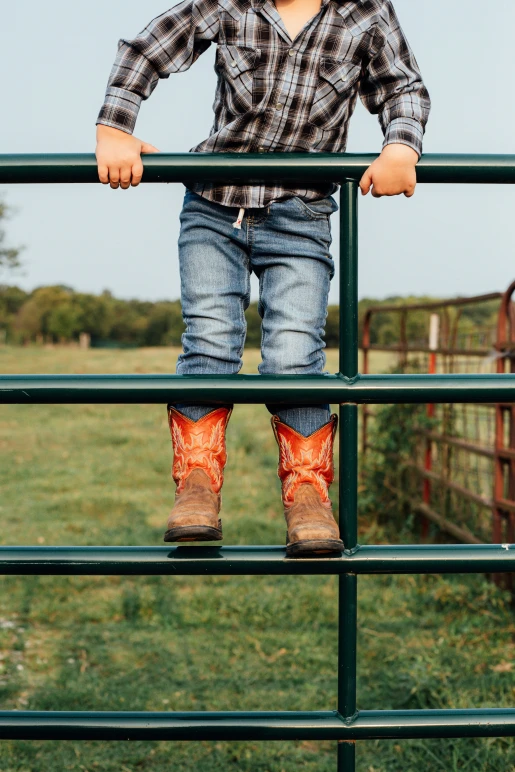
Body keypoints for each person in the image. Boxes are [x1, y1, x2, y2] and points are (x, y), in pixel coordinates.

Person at [95, 0, 430, 557]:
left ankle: (307, 495)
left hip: (301, 215)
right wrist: (114, 128)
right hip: (213, 205)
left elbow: (404, 88)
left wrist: (400, 146)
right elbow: (148, 47)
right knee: (207, 341)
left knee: (295, 355)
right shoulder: (228, 3)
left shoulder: (365, 12)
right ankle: (197, 487)